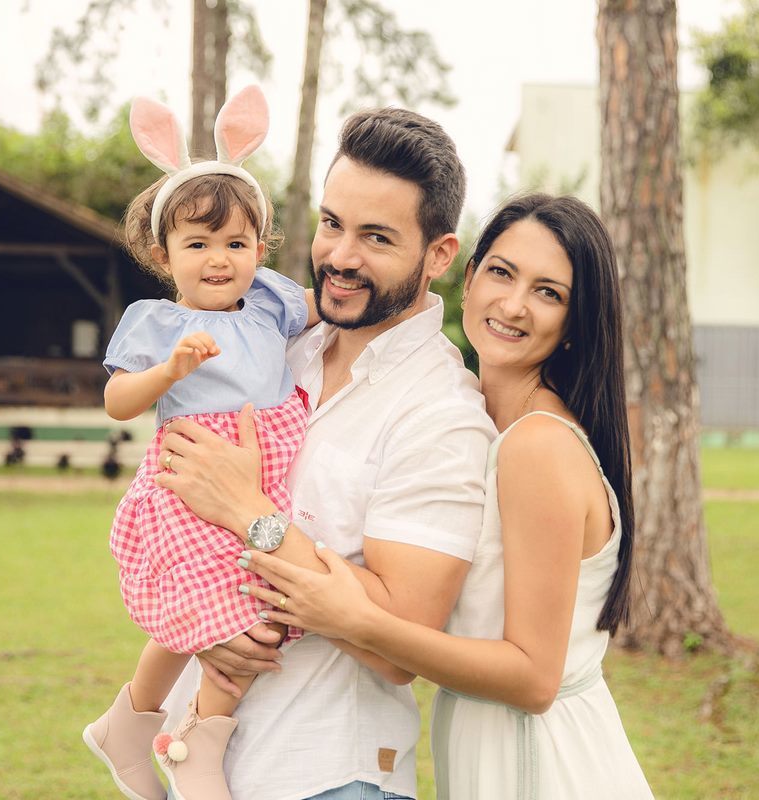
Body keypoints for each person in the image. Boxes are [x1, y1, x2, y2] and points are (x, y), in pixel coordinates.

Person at [235, 194, 655, 798]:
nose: (512, 305)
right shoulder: (480, 417)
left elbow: (535, 679)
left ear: (575, 322)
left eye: (548, 292)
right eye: (502, 273)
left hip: (540, 761)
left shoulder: (537, 446)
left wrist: (354, 619)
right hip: (486, 741)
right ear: (470, 275)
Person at [152, 108, 497, 800]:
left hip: (327, 774)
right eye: (333, 223)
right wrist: (203, 618)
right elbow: (175, 501)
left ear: (438, 254)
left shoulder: (443, 414)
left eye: (376, 237)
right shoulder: (279, 347)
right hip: (200, 754)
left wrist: (249, 513)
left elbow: (401, 641)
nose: (340, 256)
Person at [81, 86, 318, 800]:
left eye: (237, 243)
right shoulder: (154, 321)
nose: (220, 259)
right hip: (192, 484)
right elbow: (117, 401)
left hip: (264, 480)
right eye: (198, 244)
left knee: (240, 610)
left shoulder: (273, 301)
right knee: (233, 615)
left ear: (261, 247)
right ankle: (194, 741)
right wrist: (170, 369)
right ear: (164, 252)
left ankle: (133, 725)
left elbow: (330, 318)